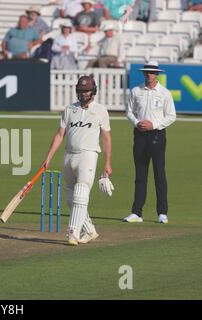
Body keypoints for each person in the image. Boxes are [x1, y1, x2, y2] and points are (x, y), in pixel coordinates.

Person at [42, 75, 113, 245]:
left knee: (81, 192)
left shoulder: (101, 110)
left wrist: (107, 162)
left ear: (93, 91)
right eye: (80, 91)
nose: (83, 94)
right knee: (70, 198)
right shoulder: (69, 109)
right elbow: (60, 134)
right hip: (69, 155)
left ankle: (72, 233)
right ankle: (89, 230)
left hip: (88, 155)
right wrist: (48, 158)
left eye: (86, 91)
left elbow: (107, 137)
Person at [124, 61, 176, 224]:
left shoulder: (164, 93)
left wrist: (154, 124)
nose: (149, 74)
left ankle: (162, 212)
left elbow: (171, 116)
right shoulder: (136, 91)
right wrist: (137, 123)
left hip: (157, 135)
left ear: (157, 74)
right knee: (140, 175)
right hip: (140, 135)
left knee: (159, 174)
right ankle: (137, 213)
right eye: (146, 72)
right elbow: (129, 112)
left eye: (152, 72)